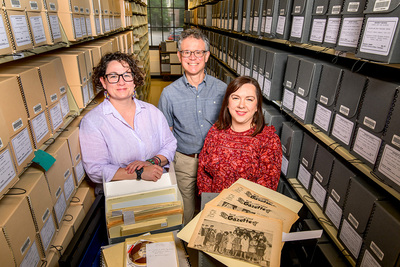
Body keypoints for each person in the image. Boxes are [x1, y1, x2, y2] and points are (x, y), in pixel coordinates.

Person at [79, 52, 177, 193]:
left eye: (127, 75)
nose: (121, 82)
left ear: (134, 80)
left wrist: (150, 162)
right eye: (113, 76)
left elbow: (170, 144)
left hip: (158, 187)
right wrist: (139, 173)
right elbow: (95, 170)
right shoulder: (93, 121)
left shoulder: (152, 112)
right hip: (121, 194)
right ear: (103, 82)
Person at [158, 28, 227, 224]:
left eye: (198, 52)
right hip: (185, 162)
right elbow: (166, 136)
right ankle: (185, 253)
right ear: (179, 55)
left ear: (207, 55)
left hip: (216, 163)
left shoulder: (222, 89)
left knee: (213, 214)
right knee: (184, 214)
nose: (193, 57)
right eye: (187, 52)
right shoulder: (169, 94)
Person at [197, 76, 282, 194]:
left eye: (249, 99)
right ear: (227, 102)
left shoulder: (268, 139)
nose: (241, 105)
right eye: (236, 98)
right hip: (215, 206)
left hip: (248, 209)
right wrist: (208, 203)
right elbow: (203, 173)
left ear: (257, 106)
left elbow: (267, 186)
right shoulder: (215, 132)